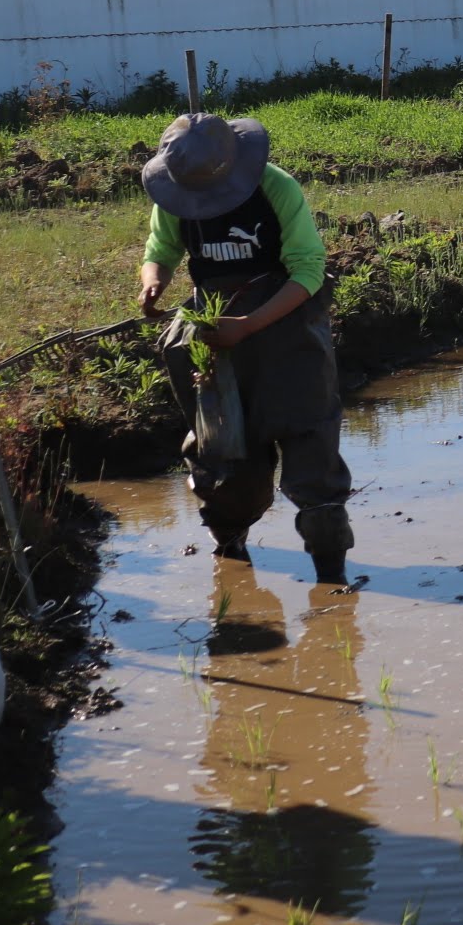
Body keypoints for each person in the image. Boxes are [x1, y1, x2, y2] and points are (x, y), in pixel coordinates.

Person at [137, 113, 355, 583]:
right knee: (225, 455)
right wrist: (154, 281)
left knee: (311, 453)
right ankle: (230, 552)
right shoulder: (176, 194)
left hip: (288, 333)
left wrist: (250, 325)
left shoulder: (275, 187)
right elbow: (161, 249)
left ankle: (333, 582)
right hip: (218, 336)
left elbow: (308, 269)